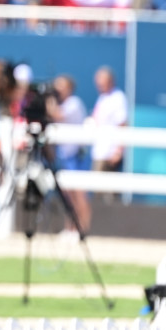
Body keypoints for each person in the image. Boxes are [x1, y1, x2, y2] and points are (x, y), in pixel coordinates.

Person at [46, 74, 91, 237]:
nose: (57, 90)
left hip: (76, 156)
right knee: (68, 195)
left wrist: (48, 100)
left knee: (79, 194)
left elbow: (57, 115)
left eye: (60, 86)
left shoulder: (74, 103)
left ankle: (82, 229)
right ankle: (70, 228)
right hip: (65, 156)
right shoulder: (64, 103)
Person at [87, 66, 129, 202]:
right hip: (99, 151)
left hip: (110, 152)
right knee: (98, 192)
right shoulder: (103, 98)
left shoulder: (118, 98)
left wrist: (118, 151)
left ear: (110, 81)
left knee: (110, 194)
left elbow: (123, 125)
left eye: (102, 82)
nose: (99, 85)